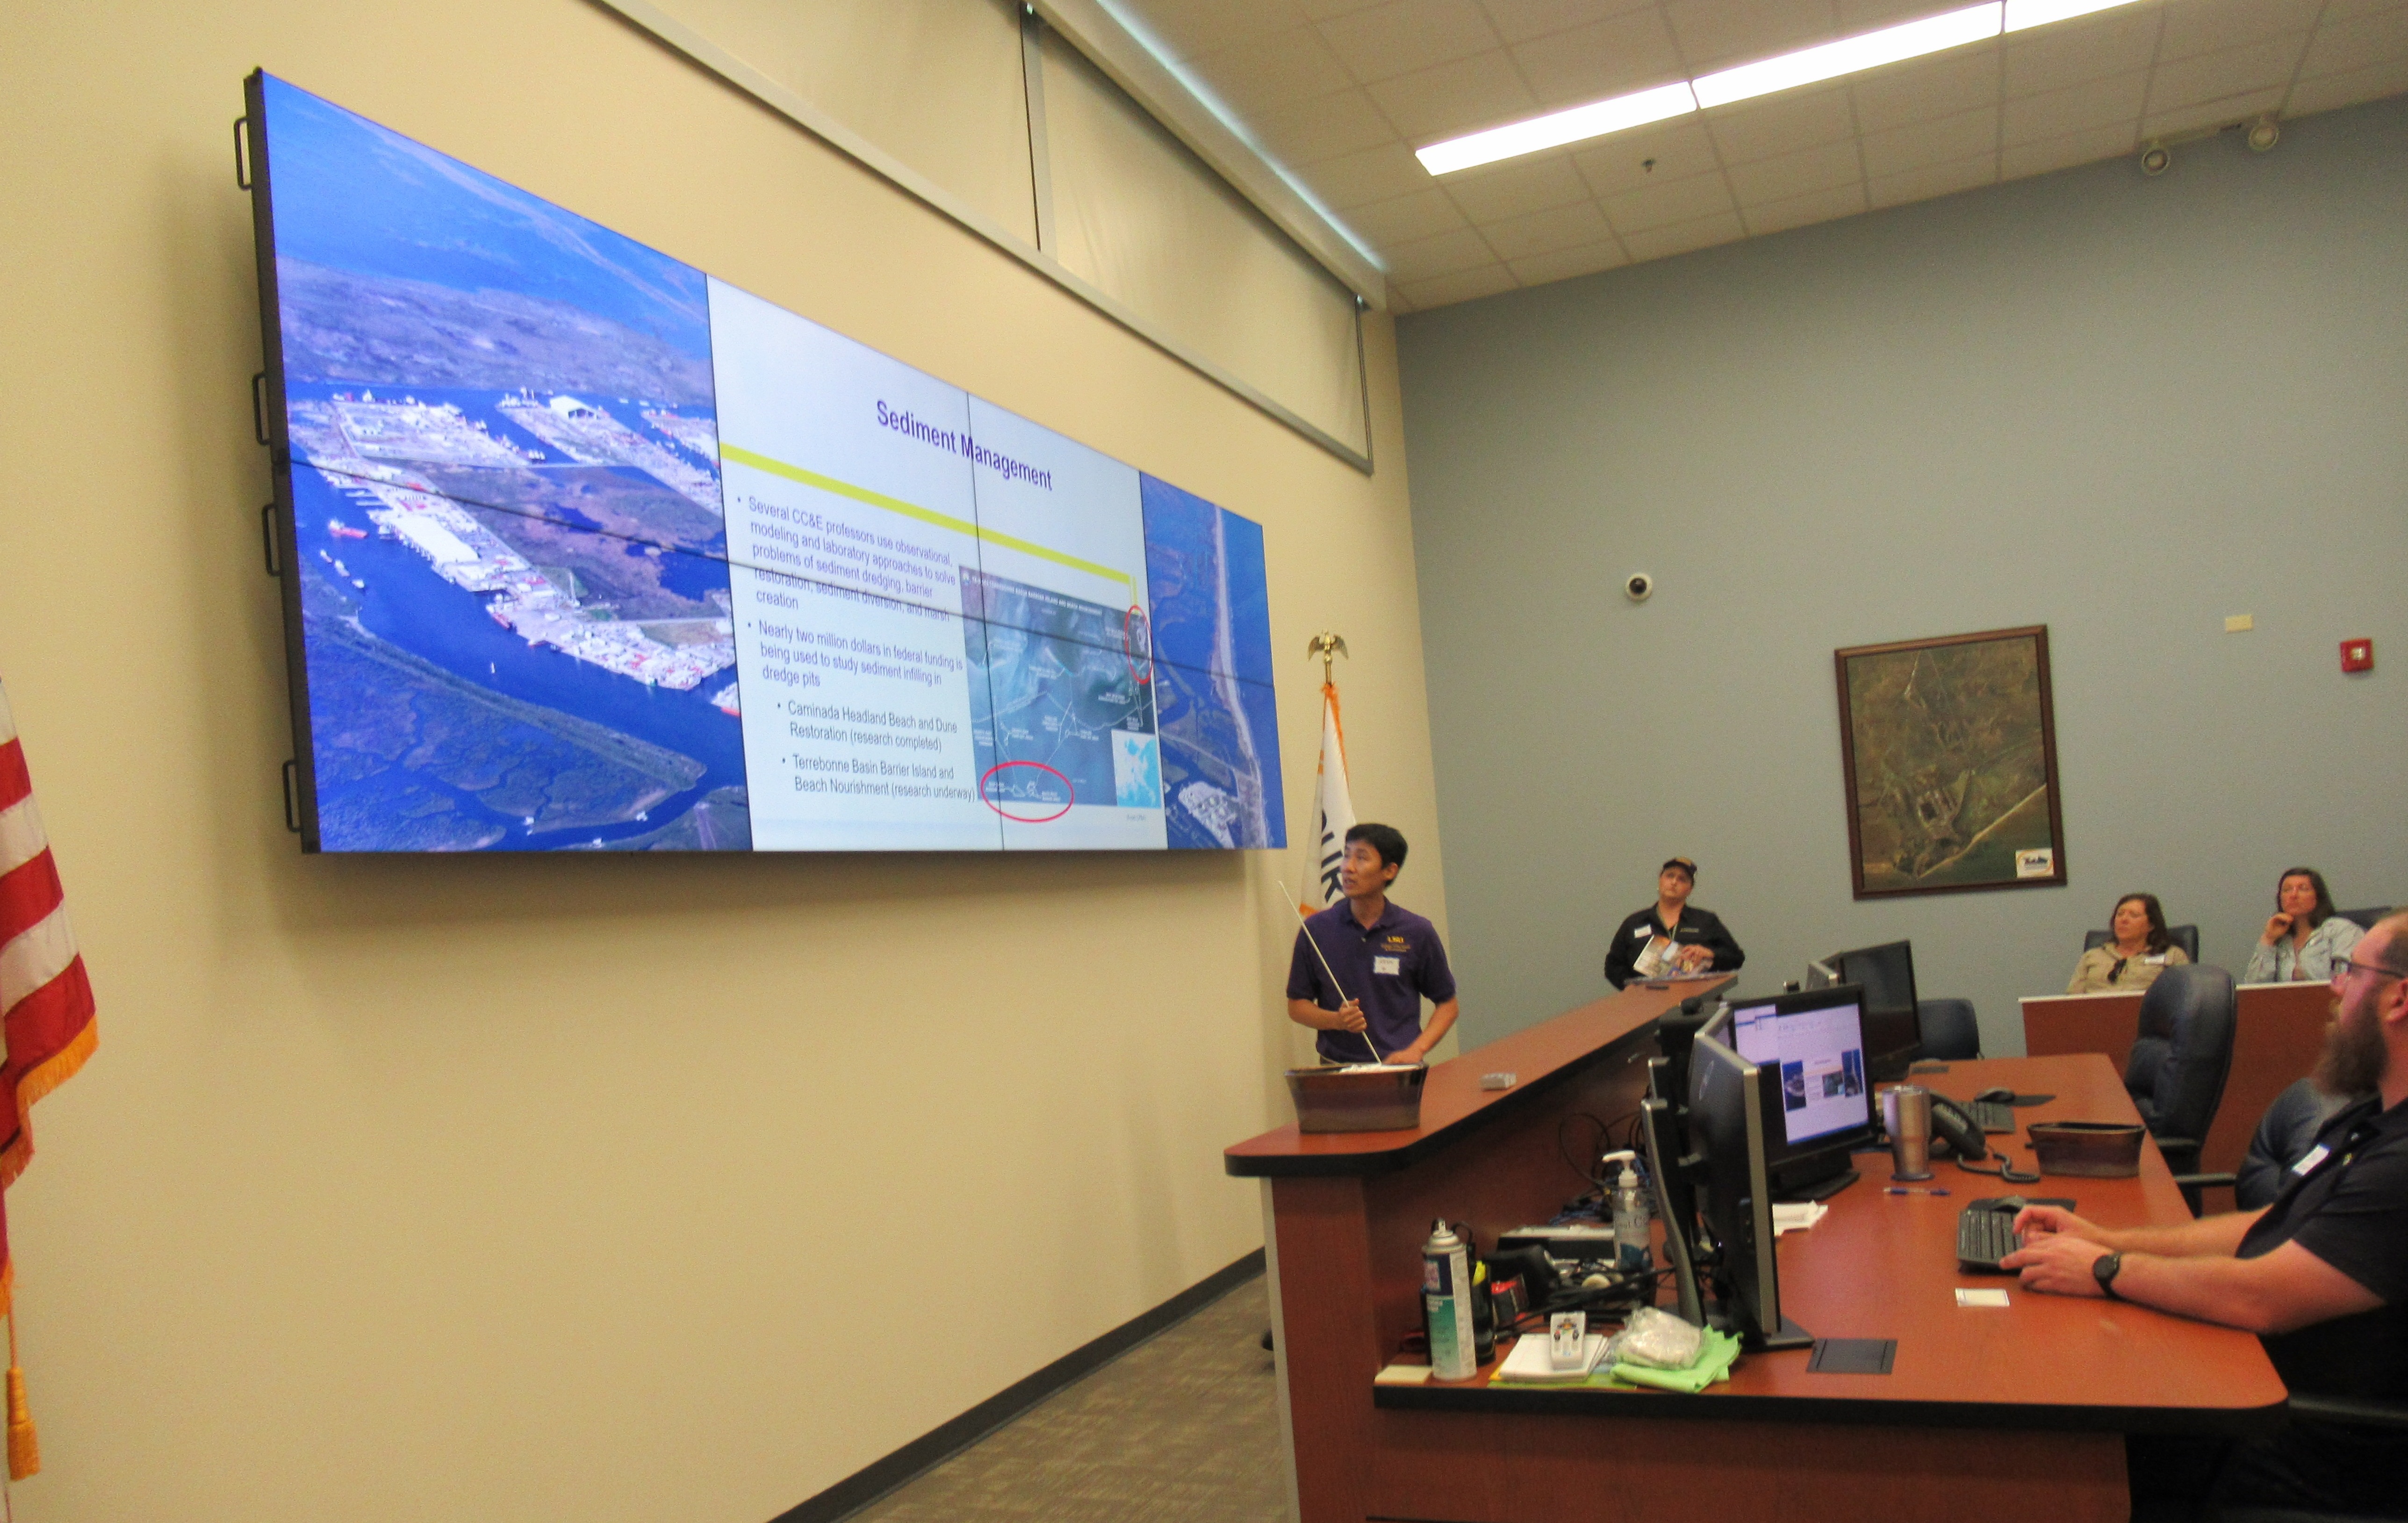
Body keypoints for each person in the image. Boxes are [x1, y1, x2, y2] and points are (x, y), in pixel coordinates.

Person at [2001, 910, 2408, 1519]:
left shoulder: (2400, 1164)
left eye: (2349, 971)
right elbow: (2265, 1223)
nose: (2333, 985)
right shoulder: (2370, 1119)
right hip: (2249, 1386)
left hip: (2298, 1453)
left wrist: (2107, 1269)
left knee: (2037, 1444)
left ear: (2397, 997)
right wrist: (2106, 1238)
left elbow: (2261, 1298)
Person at [1285, 823, 1459, 1067]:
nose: (1348, 868)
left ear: (1389, 871)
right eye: (1346, 856)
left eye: (1362, 858)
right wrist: (1337, 1021)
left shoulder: (1417, 931)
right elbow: (1297, 1006)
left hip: (1399, 1069)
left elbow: (1448, 1005)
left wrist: (1417, 1050)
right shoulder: (1316, 929)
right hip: (1336, 1070)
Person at [1603, 857, 1744, 989]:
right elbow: (1613, 966)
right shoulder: (1635, 923)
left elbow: (1736, 958)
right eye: (1670, 876)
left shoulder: (1706, 921)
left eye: (1682, 879)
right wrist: (1632, 990)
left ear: (1690, 889)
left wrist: (1710, 953)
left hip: (1696, 1005)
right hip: (1647, 1006)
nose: (1674, 882)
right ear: (1660, 880)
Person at [2244, 866, 2364, 984]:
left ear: (2318, 897)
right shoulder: (2280, 938)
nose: (2293, 895)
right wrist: (2268, 939)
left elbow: (2350, 982)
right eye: (2287, 890)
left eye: (2303, 889)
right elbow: (2254, 989)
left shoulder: (2342, 930)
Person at [2066, 893, 2190, 993]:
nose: (2124, 920)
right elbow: (2072, 1001)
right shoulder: (2092, 956)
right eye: (2120, 914)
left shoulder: (2173, 955)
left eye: (2134, 915)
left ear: (2151, 925)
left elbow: (2185, 997)